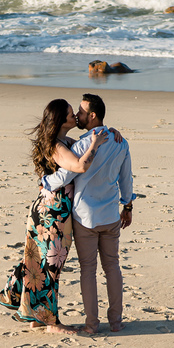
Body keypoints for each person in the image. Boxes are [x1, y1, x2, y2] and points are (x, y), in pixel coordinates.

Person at [0, 99, 108, 333]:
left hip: (50, 208)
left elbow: (81, 144)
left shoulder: (63, 142)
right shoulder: (56, 146)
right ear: (60, 120)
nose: (75, 117)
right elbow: (80, 166)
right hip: (52, 212)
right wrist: (96, 143)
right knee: (51, 266)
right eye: (70, 114)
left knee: (40, 262)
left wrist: (108, 131)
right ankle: (51, 323)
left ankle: (35, 314)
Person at [40, 93, 134, 334]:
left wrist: (46, 181)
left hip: (85, 218)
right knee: (113, 267)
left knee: (88, 270)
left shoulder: (83, 145)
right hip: (111, 215)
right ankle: (116, 321)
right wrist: (128, 206)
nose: (77, 116)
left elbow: (66, 175)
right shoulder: (120, 141)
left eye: (81, 112)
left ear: (92, 115)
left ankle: (92, 324)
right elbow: (126, 179)